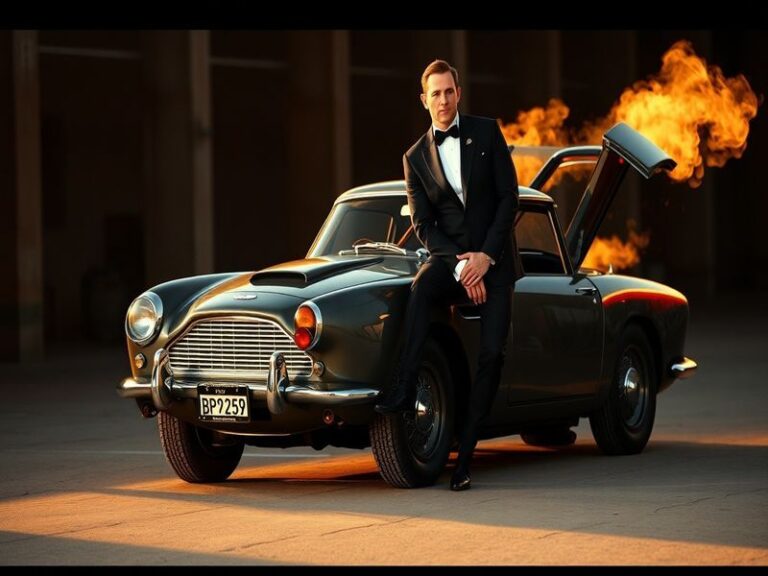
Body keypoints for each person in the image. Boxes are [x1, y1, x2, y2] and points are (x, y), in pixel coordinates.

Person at [374, 59, 523, 491]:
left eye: (449, 91)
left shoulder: (487, 132)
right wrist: (461, 263)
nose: (443, 99)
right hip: (450, 260)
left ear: (459, 93)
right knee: (420, 289)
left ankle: (467, 458)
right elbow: (424, 225)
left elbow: (507, 199)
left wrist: (484, 260)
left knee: (492, 355)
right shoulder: (414, 157)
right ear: (424, 100)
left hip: (494, 262)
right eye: (435, 93)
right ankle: (404, 386)